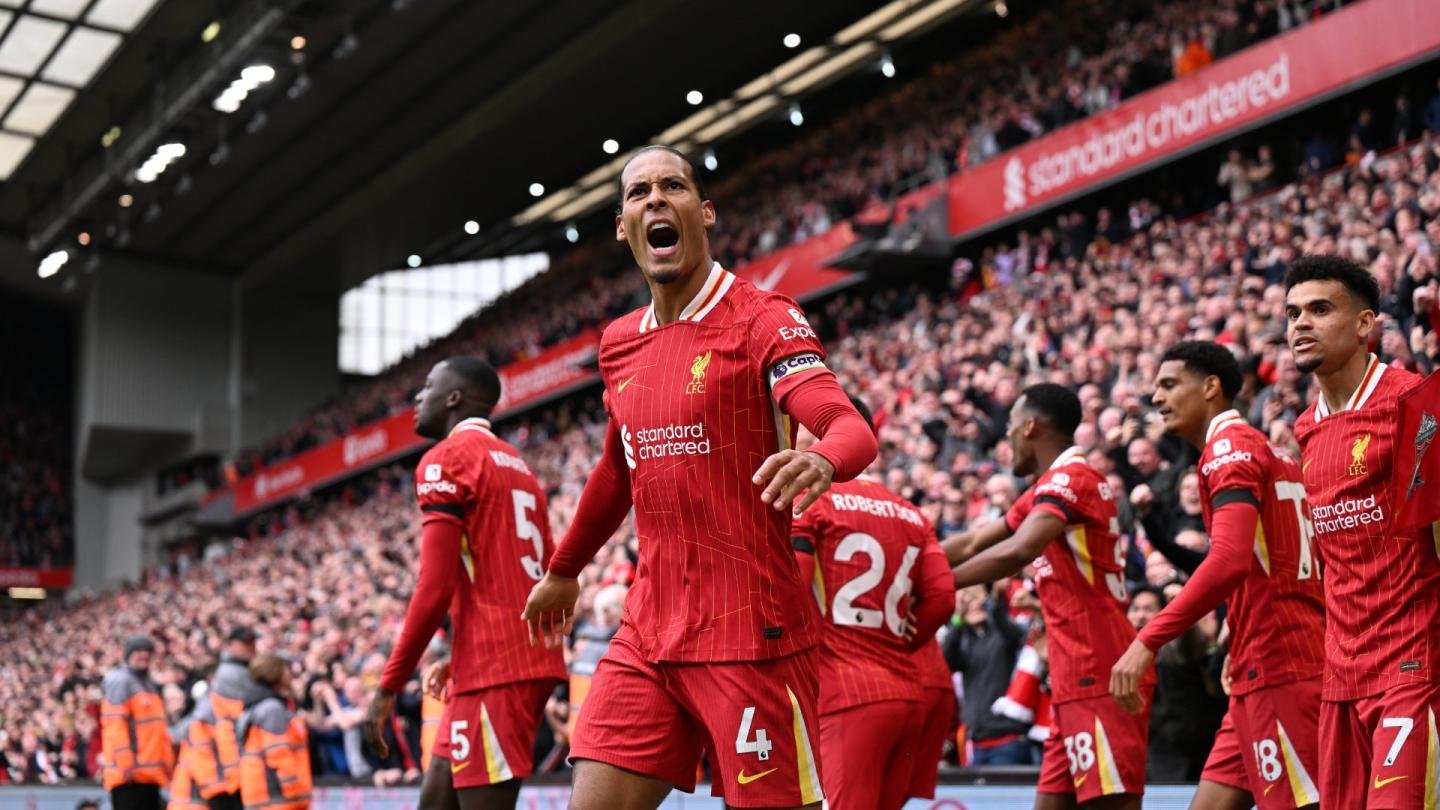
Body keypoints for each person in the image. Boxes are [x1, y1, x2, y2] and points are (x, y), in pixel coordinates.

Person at [522, 144, 877, 810]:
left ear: (704, 212)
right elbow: (614, 468)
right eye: (638, 193)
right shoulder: (619, 342)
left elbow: (849, 426)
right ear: (624, 228)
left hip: (752, 635)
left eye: (673, 187)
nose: (655, 199)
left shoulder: (762, 319)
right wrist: (564, 569)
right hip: (649, 633)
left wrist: (822, 458)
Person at [1111, 341, 1324, 809]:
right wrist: (1238, 627)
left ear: (1210, 387)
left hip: (1280, 666)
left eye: (1169, 384)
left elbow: (1229, 560)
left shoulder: (1227, 446)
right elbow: (1277, 561)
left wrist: (1147, 639)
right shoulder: (1271, 451)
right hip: (1260, 662)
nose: (1156, 398)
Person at [365, 356, 566, 810]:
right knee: (436, 801)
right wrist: (460, 658)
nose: (418, 397)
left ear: (454, 397)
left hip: (498, 668)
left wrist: (388, 686)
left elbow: (434, 587)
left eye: (427, 386)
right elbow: (536, 570)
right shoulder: (517, 464)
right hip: (505, 659)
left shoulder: (448, 459)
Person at [943, 384, 1149, 810]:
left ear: (1030, 427)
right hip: (1074, 676)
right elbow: (976, 541)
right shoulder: (1048, 487)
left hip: (1100, 670)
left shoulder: (1070, 479)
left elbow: (1019, 549)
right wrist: (907, 560)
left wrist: (938, 585)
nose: (1008, 442)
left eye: (1012, 431)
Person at [1283, 254, 1440, 808]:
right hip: (1341, 679)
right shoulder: (1306, 428)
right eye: (1293, 312)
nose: (1300, 323)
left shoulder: (1414, 404)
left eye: (1320, 309)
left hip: (1413, 667)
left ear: (1365, 324)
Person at [790, 398, 953, 810]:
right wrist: (899, 644)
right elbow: (941, 598)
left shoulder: (812, 499)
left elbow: (791, 586)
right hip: (905, 691)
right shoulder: (912, 513)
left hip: (844, 692)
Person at [100, 635, 174, 810]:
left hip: (149, 775)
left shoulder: (148, 683)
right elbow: (115, 725)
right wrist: (125, 763)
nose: (144, 655)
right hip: (130, 777)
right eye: (138, 651)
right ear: (128, 655)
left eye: (147, 651)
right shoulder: (120, 680)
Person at [237, 654, 311, 810]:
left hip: (264, 797)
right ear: (274, 673)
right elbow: (278, 753)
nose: (289, 673)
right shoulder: (272, 709)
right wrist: (294, 791)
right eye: (285, 669)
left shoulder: (255, 705)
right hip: (278, 799)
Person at [207, 627, 264, 810]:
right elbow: (244, 716)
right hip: (237, 757)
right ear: (230, 645)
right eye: (245, 643)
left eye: (252, 642)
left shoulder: (242, 669)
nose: (251, 646)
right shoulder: (230, 674)